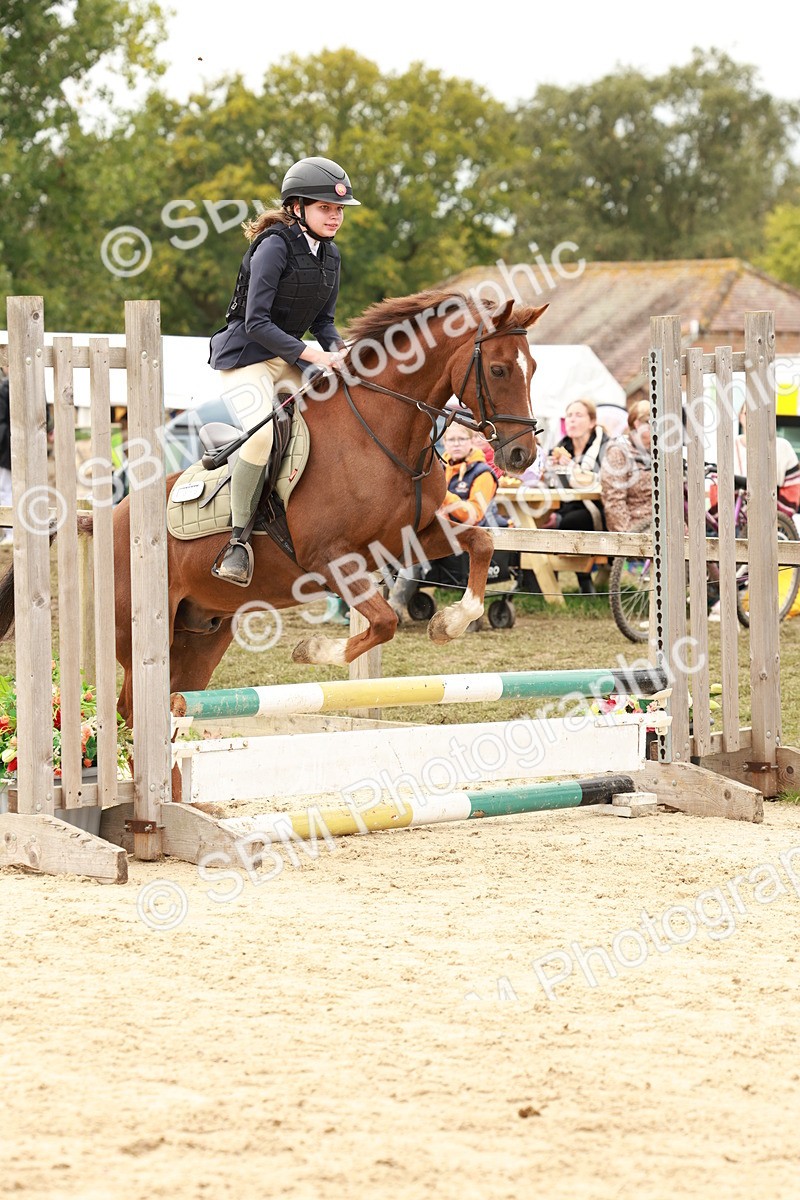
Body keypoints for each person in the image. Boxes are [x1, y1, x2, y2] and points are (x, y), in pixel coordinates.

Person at [208, 156, 360, 585]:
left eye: (339, 210)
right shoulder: (274, 245)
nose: (335, 217)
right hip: (246, 356)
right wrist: (314, 356)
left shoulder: (331, 256)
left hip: (289, 358)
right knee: (260, 437)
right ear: (297, 208)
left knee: (328, 424)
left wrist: (341, 350)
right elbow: (256, 323)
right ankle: (236, 542)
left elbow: (323, 322)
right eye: (325, 208)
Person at [388, 426, 504, 619]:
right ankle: (375, 606)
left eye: (461, 439)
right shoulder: (440, 469)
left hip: (468, 536)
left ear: (472, 442)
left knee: (412, 553)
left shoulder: (483, 473)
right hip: (439, 532)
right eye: (451, 440)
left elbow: (474, 514)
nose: (456, 444)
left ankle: (395, 606)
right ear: (444, 443)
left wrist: (442, 495)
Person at [542, 398, 610, 593]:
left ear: (591, 422)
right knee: (538, 521)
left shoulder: (605, 447)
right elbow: (556, 487)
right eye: (569, 416)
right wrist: (551, 471)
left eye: (578, 415)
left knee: (570, 521)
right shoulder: (561, 447)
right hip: (566, 504)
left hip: (598, 508)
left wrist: (572, 468)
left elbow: (602, 482)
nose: (572, 420)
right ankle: (540, 583)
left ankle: (584, 579)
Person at [600, 400, 652, 532]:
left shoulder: (663, 452)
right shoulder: (618, 451)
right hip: (639, 527)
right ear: (637, 424)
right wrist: (628, 538)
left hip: (670, 527)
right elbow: (614, 502)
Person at [0, 369, 11, 544]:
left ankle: (11, 534)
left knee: (7, 490)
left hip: (6, 448)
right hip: (6, 447)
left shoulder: (5, 387)